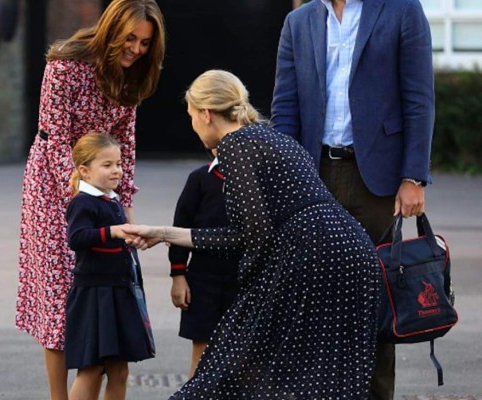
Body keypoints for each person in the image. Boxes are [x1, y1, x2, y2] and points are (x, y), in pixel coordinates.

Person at [123, 69, 381, 399]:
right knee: (326, 380)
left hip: (311, 256)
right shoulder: (271, 137)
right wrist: (163, 233)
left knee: (228, 367)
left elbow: (249, 236)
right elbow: (252, 230)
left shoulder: (235, 146)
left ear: (205, 114)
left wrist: (247, 295)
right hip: (352, 251)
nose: (192, 126)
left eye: (191, 116)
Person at [270, 1, 435, 399]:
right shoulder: (300, 21)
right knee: (313, 303)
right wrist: (285, 180)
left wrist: (413, 177)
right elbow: (285, 107)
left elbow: (419, 98)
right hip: (314, 177)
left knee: (378, 304)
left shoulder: (401, 10)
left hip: (375, 181)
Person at [14, 1, 165, 399]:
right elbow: (55, 140)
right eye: (129, 38)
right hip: (52, 186)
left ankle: (91, 385)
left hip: (103, 185)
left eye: (145, 43)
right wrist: (85, 196)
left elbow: (125, 147)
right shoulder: (66, 65)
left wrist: (124, 206)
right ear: (111, 28)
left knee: (99, 289)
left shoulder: (131, 77)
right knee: (60, 295)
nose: (135, 49)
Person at [64, 132, 154, 400]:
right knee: (91, 368)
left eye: (119, 163)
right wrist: (113, 232)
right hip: (95, 294)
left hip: (119, 292)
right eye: (107, 165)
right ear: (84, 170)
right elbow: (77, 238)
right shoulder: (83, 202)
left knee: (120, 370)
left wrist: (135, 239)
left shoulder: (111, 199)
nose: (117, 170)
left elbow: (117, 239)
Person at [169, 149, 240, 379]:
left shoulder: (258, 180)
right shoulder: (200, 178)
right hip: (203, 277)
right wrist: (178, 275)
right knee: (203, 350)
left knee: (244, 353)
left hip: (245, 278)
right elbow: (180, 228)